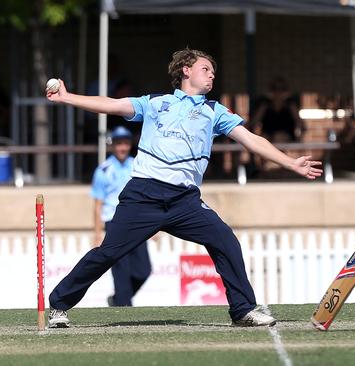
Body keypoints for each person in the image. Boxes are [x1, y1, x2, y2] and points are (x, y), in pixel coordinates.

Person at [45, 48, 323, 328]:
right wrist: (68, 97)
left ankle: (242, 310)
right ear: (186, 71)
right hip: (143, 195)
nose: (212, 74)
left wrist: (290, 163)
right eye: (206, 69)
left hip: (185, 201)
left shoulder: (214, 111)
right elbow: (112, 104)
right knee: (108, 253)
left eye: (214, 72)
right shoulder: (156, 103)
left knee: (224, 240)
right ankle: (59, 304)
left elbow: (251, 139)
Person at [91, 126, 151, 307]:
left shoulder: (138, 165)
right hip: (114, 222)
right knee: (121, 269)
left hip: (137, 221)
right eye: (119, 144)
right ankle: (124, 306)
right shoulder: (103, 170)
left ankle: (118, 300)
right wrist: (97, 232)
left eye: (125, 144)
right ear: (113, 146)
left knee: (144, 270)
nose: (122, 148)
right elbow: (97, 204)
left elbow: (147, 196)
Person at [250, 77, 304, 143]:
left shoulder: (290, 104)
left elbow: (300, 123)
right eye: (274, 89)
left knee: (278, 137)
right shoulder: (265, 104)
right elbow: (254, 122)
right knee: (264, 137)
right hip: (268, 135)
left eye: (282, 89)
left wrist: (300, 138)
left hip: (286, 135)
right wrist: (263, 106)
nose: (278, 92)